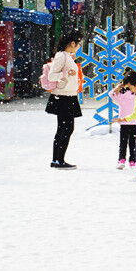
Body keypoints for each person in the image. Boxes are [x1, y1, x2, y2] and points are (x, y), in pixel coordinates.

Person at [46, 31, 83, 169]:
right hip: (63, 97)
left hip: (68, 96)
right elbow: (51, 76)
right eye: (79, 44)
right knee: (66, 129)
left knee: (63, 128)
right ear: (72, 43)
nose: (79, 47)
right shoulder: (61, 56)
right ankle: (59, 160)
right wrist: (66, 73)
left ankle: (57, 159)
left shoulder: (66, 56)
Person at [110, 73, 136, 170]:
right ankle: (132, 161)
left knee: (123, 142)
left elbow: (111, 94)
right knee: (133, 143)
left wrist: (119, 86)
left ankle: (121, 159)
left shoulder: (121, 96)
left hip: (124, 122)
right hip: (134, 121)